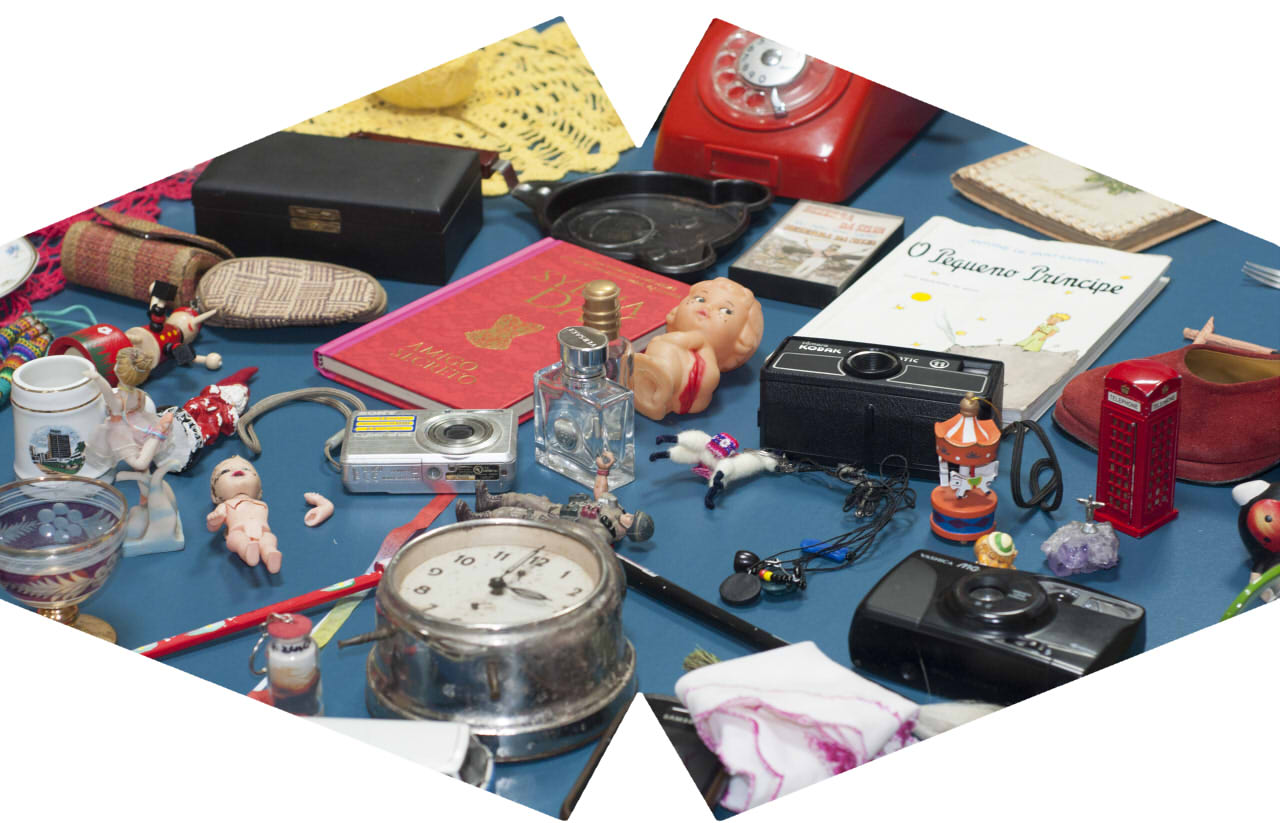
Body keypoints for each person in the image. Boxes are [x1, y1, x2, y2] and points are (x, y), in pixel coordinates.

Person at [630, 278, 764, 419]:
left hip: (687, 390)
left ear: (742, 338)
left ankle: (659, 382)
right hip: (666, 385)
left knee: (663, 345)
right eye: (700, 299)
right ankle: (653, 383)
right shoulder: (678, 341)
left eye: (726, 311)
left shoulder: (704, 356)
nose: (707, 307)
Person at [455, 453, 654, 544]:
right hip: (560, 509)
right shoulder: (615, 508)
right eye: (633, 515)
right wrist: (602, 470)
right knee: (526, 499)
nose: (629, 517)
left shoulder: (604, 535)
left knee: (518, 514)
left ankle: (478, 519)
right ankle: (488, 502)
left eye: (632, 521)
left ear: (631, 532)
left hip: (557, 524)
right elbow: (600, 493)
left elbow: (580, 545)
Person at [207, 455, 281, 573]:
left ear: (259, 491)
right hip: (238, 531)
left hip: (262, 531)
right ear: (216, 496)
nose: (238, 470)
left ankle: (270, 554)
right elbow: (213, 527)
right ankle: (246, 550)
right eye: (225, 471)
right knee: (236, 538)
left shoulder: (262, 504)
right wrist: (214, 521)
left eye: (246, 469)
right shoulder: (225, 505)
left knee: (269, 539)